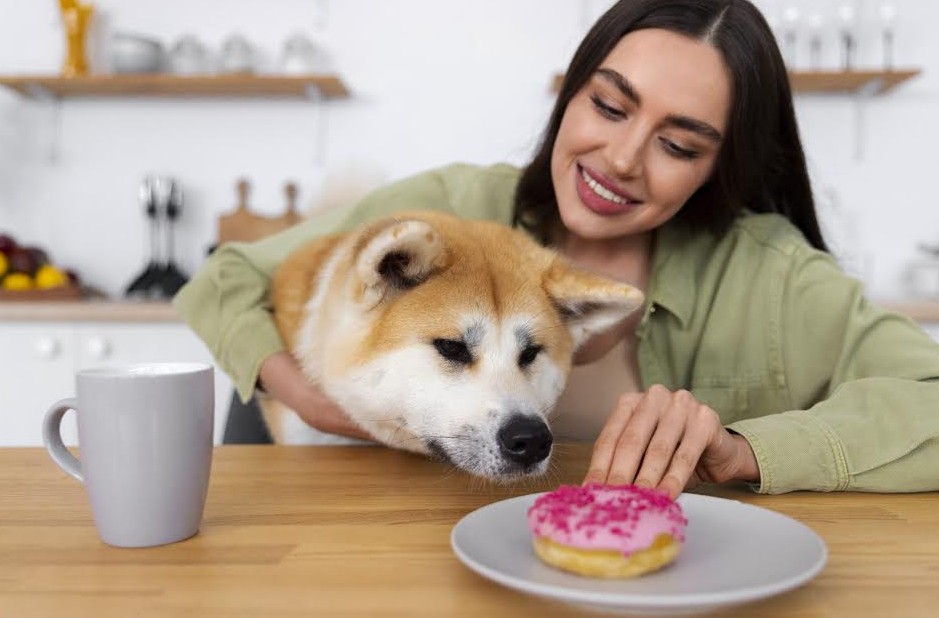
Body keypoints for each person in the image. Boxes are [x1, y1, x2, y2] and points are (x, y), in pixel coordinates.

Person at [174, 0, 939, 497]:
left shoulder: (769, 276)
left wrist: (745, 450)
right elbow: (224, 280)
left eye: (678, 145)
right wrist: (312, 396)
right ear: (571, 93)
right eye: (608, 106)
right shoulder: (450, 211)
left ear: (720, 168)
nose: (621, 159)